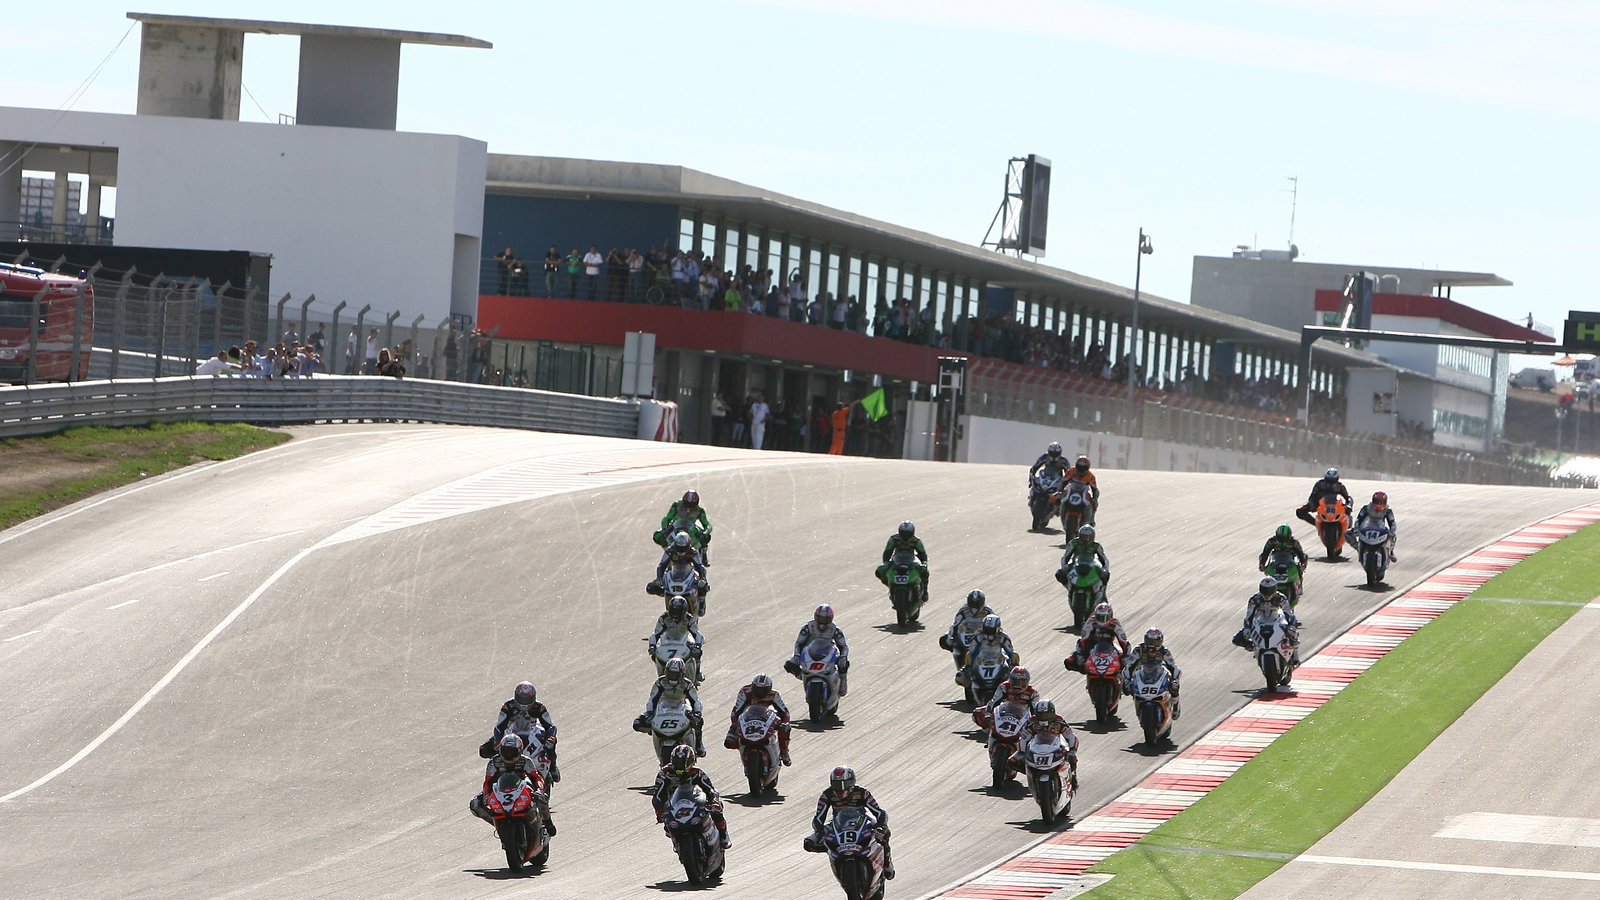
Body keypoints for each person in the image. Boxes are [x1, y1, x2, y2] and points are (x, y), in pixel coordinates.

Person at [809, 766, 893, 879]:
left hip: (863, 821)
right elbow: (819, 818)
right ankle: (833, 853)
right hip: (838, 824)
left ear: (851, 782)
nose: (840, 789)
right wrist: (819, 833)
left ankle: (887, 863)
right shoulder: (827, 795)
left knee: (884, 834)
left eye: (844, 784)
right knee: (808, 843)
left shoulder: (862, 793)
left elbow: (879, 812)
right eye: (836, 784)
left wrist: (881, 826)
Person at [468, 732, 555, 835]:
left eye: (512, 752)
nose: (508, 756)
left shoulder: (526, 761)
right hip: (500, 790)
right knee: (475, 804)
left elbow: (537, 778)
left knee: (541, 798)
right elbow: (488, 782)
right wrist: (486, 795)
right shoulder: (494, 762)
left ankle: (548, 823)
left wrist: (539, 790)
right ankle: (499, 825)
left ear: (519, 751)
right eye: (505, 752)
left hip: (522, 788)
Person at [652, 744, 731, 849]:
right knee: (668, 828)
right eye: (677, 763)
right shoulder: (664, 773)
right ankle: (677, 844)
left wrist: (713, 800)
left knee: (716, 807)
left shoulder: (697, 772)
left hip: (695, 802)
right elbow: (657, 796)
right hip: (673, 806)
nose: (680, 768)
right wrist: (659, 811)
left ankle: (723, 834)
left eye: (684, 764)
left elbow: (710, 789)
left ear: (692, 761)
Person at [480, 680, 560, 781]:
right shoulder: (508, 706)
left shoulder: (539, 707)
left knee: (550, 744)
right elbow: (499, 727)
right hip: (511, 732)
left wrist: (551, 737)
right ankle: (496, 771)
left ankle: (553, 767)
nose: (524, 703)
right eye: (521, 699)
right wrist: (497, 741)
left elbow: (551, 726)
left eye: (526, 699)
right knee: (483, 750)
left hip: (533, 731)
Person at [640, 657, 707, 756]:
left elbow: (695, 701)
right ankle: (654, 731)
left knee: (698, 721)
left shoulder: (687, 684)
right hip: (663, 707)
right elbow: (652, 700)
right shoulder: (660, 682)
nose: (673, 677)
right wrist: (649, 713)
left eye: (676, 674)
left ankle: (698, 744)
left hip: (681, 706)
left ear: (682, 673)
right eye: (671, 673)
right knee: (639, 722)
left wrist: (697, 713)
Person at [724, 673, 792, 765]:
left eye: (763, 690)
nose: (760, 693)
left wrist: (783, 724)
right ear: (752, 686)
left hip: (766, 717)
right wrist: (736, 725)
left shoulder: (774, 694)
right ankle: (743, 749)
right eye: (757, 689)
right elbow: (736, 712)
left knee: (785, 729)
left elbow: (785, 713)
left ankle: (784, 752)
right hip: (749, 717)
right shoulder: (745, 692)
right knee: (729, 741)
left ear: (769, 689)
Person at [786, 603, 851, 696]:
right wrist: (797, 656)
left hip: (827, 654)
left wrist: (843, 657)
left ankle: (842, 684)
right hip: (809, 654)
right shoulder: (808, 627)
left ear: (831, 618)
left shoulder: (835, 630)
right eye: (820, 619)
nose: (822, 623)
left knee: (844, 665)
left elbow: (843, 646)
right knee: (789, 664)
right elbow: (799, 643)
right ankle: (803, 676)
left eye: (826, 619)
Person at [1018, 699, 1079, 789]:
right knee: (1013, 761)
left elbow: (1071, 736)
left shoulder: (1059, 721)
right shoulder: (1031, 721)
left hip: (1055, 746)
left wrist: (1072, 750)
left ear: (1052, 713)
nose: (1044, 717)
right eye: (1041, 714)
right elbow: (1023, 738)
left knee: (1072, 758)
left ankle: (1073, 776)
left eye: (1046, 714)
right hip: (1036, 748)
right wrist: (1021, 753)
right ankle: (1032, 776)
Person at [1123, 628, 1182, 719]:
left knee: (1174, 687)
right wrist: (1126, 681)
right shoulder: (1139, 650)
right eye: (1149, 641)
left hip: (1160, 672)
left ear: (1160, 641)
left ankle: (1175, 705)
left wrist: (1175, 680)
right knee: (1127, 689)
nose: (1152, 645)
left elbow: (1174, 667)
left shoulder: (1164, 651)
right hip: (1142, 673)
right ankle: (1140, 706)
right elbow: (1129, 666)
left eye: (1154, 642)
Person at [651, 595, 705, 682]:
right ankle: (661, 676)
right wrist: (652, 646)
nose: (675, 617)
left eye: (678, 612)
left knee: (696, 653)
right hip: (667, 642)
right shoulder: (664, 618)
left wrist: (697, 646)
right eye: (673, 612)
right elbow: (655, 634)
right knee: (654, 655)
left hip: (684, 641)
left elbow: (697, 634)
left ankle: (697, 672)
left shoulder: (689, 618)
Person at [1233, 576, 1300, 647]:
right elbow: (1249, 616)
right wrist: (1247, 628)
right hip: (1259, 623)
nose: (1267, 593)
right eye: (1264, 590)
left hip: (1277, 621)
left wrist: (1291, 625)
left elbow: (1289, 613)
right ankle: (1253, 646)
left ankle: (1294, 653)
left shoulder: (1281, 598)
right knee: (1236, 639)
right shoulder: (1255, 599)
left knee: (1292, 634)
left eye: (1269, 590)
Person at [1066, 602, 1130, 670]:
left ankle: (1119, 675)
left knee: (1125, 659)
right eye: (1100, 617)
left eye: (1105, 617)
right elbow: (1082, 640)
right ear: (1095, 615)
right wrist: (1081, 659)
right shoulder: (1091, 622)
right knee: (1069, 661)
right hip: (1092, 646)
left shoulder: (1115, 624)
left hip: (1110, 647)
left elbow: (1124, 642)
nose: (1102, 620)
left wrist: (1124, 659)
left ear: (1111, 616)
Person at [653, 490, 713, 561]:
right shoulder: (676, 505)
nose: (688, 509)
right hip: (675, 527)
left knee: (705, 538)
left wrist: (706, 532)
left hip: (692, 529)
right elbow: (667, 518)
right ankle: (667, 551)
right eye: (686, 505)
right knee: (657, 536)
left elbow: (707, 525)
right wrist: (665, 529)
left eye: (691, 506)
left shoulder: (700, 511)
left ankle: (704, 554)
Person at [942, 589, 994, 670]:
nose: (975, 606)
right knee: (947, 642)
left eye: (977, 603)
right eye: (973, 603)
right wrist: (951, 637)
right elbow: (955, 625)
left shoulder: (988, 611)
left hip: (982, 636)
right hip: (967, 635)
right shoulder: (963, 611)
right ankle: (961, 667)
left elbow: (996, 625)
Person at [959, 614, 1018, 685]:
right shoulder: (978, 636)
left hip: (998, 661)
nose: (989, 632)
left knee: (1013, 676)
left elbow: (1011, 653)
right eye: (987, 629)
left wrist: (1014, 665)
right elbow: (972, 652)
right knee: (961, 677)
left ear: (998, 628)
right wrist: (968, 667)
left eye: (991, 629)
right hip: (981, 661)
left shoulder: (1003, 637)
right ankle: (971, 690)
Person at [874, 520, 929, 591]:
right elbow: (888, 552)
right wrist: (886, 563)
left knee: (925, 572)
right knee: (879, 571)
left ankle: (925, 589)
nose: (905, 536)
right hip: (897, 559)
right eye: (903, 533)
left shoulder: (916, 541)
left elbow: (922, 553)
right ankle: (890, 584)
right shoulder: (894, 539)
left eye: (908, 533)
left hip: (912, 560)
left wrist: (924, 564)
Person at [1354, 491, 1398, 561]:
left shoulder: (1388, 510)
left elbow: (1392, 522)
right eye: (1377, 502)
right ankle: (1359, 549)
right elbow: (1359, 519)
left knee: (1393, 537)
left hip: (1381, 528)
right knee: (1348, 534)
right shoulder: (1367, 508)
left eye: (1381, 502)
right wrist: (1356, 529)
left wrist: (1392, 531)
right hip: (1367, 527)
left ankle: (1390, 552)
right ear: (1373, 501)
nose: (1379, 504)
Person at [1064, 455, 1101, 523]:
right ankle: (1053, 512)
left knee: (1093, 503)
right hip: (1071, 490)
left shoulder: (1090, 476)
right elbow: (1063, 481)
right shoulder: (1071, 471)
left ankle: (1091, 519)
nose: (1081, 469)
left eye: (1083, 467)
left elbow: (1095, 489)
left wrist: (1095, 498)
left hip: (1083, 492)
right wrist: (1059, 491)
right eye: (1080, 466)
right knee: (1055, 498)